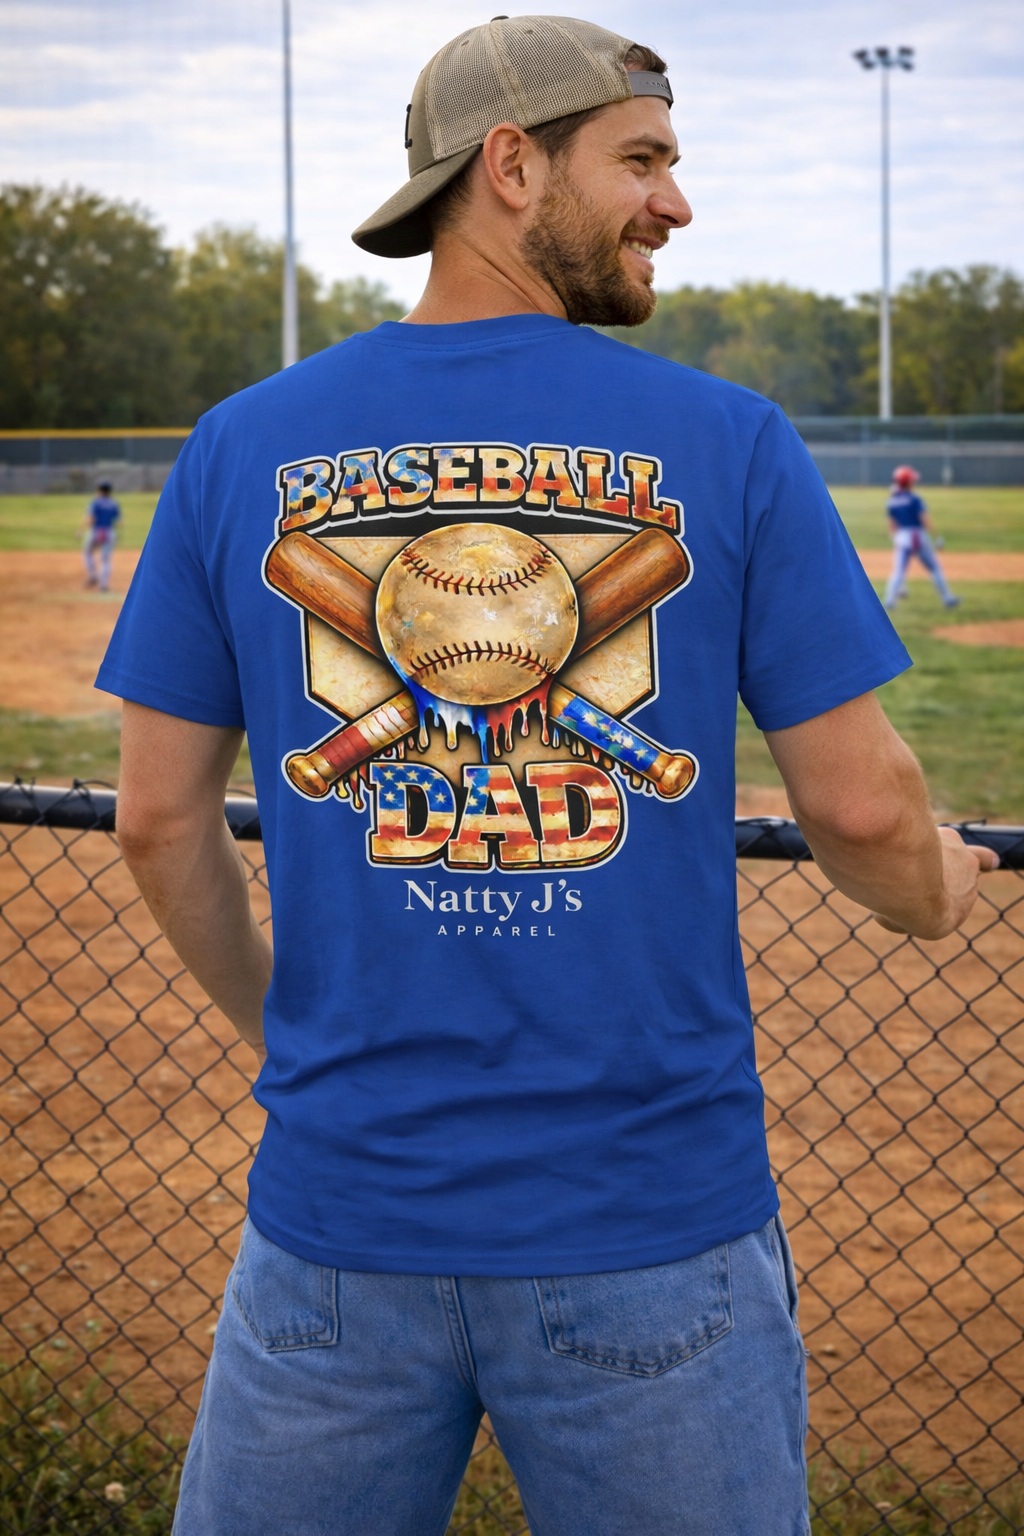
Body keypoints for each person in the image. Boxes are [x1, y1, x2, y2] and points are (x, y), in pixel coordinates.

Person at [96, 18, 997, 1535]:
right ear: (511, 166)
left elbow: (152, 820)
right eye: (641, 160)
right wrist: (935, 892)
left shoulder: (242, 443)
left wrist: (291, 1032)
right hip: (649, 1228)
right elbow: (859, 807)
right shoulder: (728, 440)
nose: (675, 203)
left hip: (334, 1229)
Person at [884, 464, 960, 610]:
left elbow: (892, 525)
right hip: (916, 535)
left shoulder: (892, 501)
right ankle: (948, 598)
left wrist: (896, 539)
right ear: (908, 482)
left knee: (899, 570)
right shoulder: (915, 499)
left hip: (901, 536)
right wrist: (936, 536)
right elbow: (924, 519)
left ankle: (889, 601)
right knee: (934, 568)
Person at [81, 477, 121, 592]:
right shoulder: (114, 503)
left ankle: (93, 576)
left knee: (87, 552)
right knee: (106, 559)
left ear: (99, 490)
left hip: (96, 531)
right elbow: (119, 521)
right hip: (109, 532)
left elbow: (91, 518)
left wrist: (80, 531)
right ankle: (104, 585)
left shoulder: (95, 502)